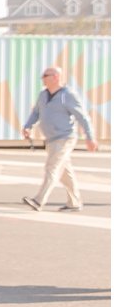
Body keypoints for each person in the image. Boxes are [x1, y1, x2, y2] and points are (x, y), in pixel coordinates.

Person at [21, 65, 97, 212]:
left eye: (45, 76)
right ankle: (74, 202)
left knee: (52, 167)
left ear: (56, 77)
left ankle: (39, 200)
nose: (42, 78)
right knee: (64, 172)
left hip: (65, 138)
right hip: (51, 139)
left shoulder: (68, 95)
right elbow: (36, 112)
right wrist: (27, 126)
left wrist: (90, 137)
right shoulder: (43, 95)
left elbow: (83, 117)